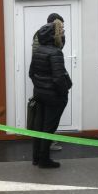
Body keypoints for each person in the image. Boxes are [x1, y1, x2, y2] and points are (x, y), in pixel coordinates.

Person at [29, 20, 72, 169]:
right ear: (54, 35)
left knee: (39, 127)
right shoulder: (55, 52)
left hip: (40, 94)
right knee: (49, 128)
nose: (63, 34)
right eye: (61, 32)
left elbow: (31, 73)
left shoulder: (38, 50)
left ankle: (36, 158)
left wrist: (40, 86)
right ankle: (44, 160)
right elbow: (58, 78)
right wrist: (64, 93)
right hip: (53, 97)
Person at [32, 13, 65, 153]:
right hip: (49, 88)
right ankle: (46, 150)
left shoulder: (41, 36)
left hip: (41, 86)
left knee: (42, 121)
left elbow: (32, 70)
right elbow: (57, 75)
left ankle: (39, 154)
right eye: (61, 28)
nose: (62, 30)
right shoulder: (52, 48)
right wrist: (63, 94)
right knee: (48, 122)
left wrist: (39, 84)